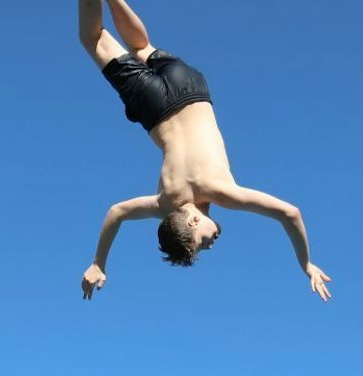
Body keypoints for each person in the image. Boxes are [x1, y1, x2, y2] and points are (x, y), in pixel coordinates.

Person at [75, 0, 331, 300]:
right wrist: (98, 262)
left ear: (194, 221)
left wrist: (306, 264)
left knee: (109, 41)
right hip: (157, 106)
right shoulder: (162, 204)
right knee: (134, 45)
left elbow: (290, 213)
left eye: (202, 243)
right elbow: (116, 212)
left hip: (193, 90)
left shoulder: (221, 191)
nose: (211, 244)